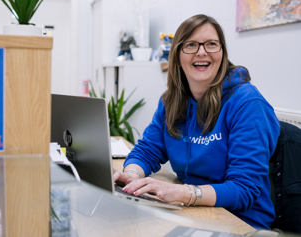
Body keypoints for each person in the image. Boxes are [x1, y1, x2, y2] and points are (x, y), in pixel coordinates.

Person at [113, 14, 280, 229]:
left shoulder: (247, 103)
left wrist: (183, 192)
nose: (202, 52)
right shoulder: (171, 101)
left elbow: (243, 189)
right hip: (194, 213)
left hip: (240, 223)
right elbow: (147, 151)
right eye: (191, 45)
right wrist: (131, 178)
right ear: (178, 56)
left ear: (222, 53)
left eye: (211, 44)